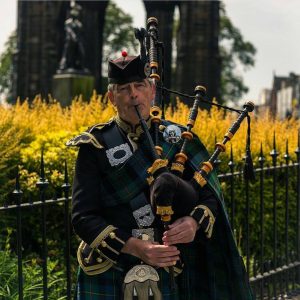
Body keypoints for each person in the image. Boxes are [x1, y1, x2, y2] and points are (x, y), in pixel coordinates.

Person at [67, 53, 253, 299]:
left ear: (151, 91)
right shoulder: (96, 146)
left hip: (169, 266)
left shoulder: (178, 139)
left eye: (139, 86)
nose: (133, 94)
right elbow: (83, 217)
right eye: (124, 88)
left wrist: (192, 223)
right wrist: (138, 248)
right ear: (112, 97)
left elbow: (209, 199)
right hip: (111, 266)